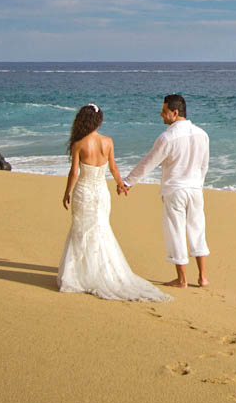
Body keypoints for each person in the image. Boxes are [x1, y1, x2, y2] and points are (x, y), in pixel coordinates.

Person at [57, 103, 170, 302]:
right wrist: (121, 185)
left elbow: (74, 172)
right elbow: (114, 168)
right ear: (99, 121)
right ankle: (101, 272)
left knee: (81, 231)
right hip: (101, 192)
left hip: (84, 191)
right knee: (101, 228)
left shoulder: (79, 144)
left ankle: (82, 276)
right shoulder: (107, 141)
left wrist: (67, 192)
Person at [119, 94, 210, 288]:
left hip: (175, 189)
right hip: (195, 189)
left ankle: (182, 279)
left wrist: (128, 181)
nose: (161, 114)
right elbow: (204, 166)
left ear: (175, 113)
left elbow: (149, 162)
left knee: (175, 232)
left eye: (164, 111)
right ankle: (203, 277)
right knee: (198, 230)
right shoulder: (203, 134)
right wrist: (198, 185)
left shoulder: (168, 137)